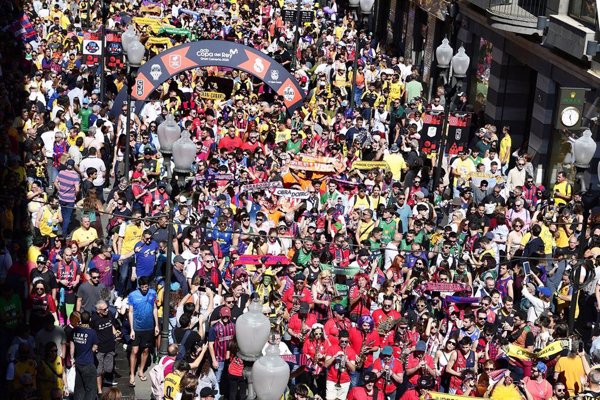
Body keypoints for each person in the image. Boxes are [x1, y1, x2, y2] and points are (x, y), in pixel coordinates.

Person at [127, 276, 159, 387]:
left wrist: (156, 325)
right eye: (143, 287)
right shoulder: (133, 295)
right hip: (137, 328)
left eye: (146, 287)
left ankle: (141, 370)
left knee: (145, 350)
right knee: (134, 351)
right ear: (139, 286)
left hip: (149, 327)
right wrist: (131, 329)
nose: (145, 289)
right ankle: (132, 374)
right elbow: (130, 312)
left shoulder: (152, 293)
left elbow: (155, 308)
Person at [71, 311, 98, 400]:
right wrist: (90, 351)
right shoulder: (92, 332)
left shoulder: (75, 330)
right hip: (88, 363)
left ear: (81, 319)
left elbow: (72, 345)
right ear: (89, 319)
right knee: (90, 389)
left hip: (78, 362)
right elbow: (95, 347)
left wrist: (72, 358)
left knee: (79, 388)